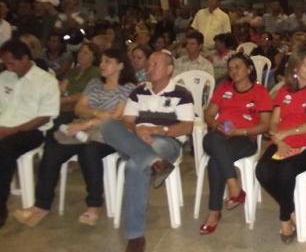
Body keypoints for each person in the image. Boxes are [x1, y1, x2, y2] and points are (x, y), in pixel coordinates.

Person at [13, 48, 136, 227]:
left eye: (107, 61)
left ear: (120, 65)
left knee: (89, 152)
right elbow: (79, 108)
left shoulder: (128, 87)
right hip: (82, 130)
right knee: (53, 148)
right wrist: (97, 112)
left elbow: (116, 116)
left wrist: (87, 123)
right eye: (101, 61)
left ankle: (94, 205)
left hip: (110, 134)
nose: (102, 65)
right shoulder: (94, 83)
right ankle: (41, 205)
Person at [99, 50, 194, 252]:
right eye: (149, 64)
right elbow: (127, 121)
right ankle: (154, 162)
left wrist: (160, 129)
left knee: (135, 164)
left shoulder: (181, 93)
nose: (149, 68)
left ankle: (135, 236)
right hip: (135, 139)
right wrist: (138, 129)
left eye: (155, 64)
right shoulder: (139, 91)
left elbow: (187, 127)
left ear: (169, 69)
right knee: (108, 125)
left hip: (166, 142)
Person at [255, 46, 306, 244]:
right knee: (262, 171)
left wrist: (285, 134)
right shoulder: (284, 91)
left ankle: (285, 219)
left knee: (285, 172)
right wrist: (279, 141)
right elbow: (273, 122)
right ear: (295, 67)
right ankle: (292, 210)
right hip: (282, 142)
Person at [198, 53, 272, 235]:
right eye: (230, 68)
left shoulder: (260, 92)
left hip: (245, 138)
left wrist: (239, 131)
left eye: (238, 67)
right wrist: (216, 124)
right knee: (212, 139)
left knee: (215, 159)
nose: (233, 71)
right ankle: (234, 187)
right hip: (220, 135)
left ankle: (214, 212)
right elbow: (209, 113)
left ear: (249, 69)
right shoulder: (224, 87)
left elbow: (265, 125)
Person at [0, 40, 60, 228]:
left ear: (25, 58)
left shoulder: (46, 81)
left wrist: (12, 130)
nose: (8, 67)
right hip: (3, 125)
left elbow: (44, 116)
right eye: (5, 63)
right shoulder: (4, 77)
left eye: (12, 63)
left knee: (4, 149)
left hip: (30, 131)